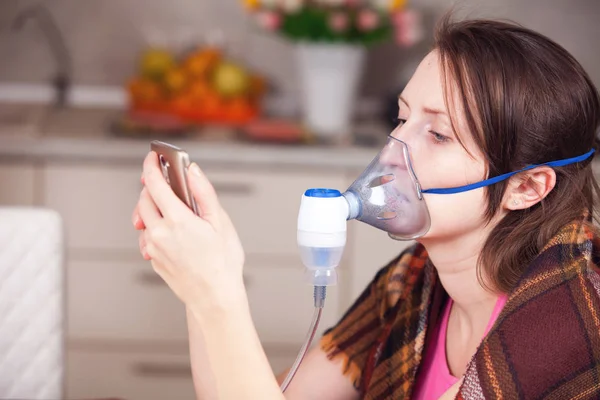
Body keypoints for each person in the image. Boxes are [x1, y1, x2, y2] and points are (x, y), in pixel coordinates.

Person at [131, 14, 600, 400]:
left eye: (437, 135)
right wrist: (201, 290)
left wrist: (219, 295)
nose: (395, 149)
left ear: (526, 187)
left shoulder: (564, 332)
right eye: (402, 117)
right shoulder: (415, 282)